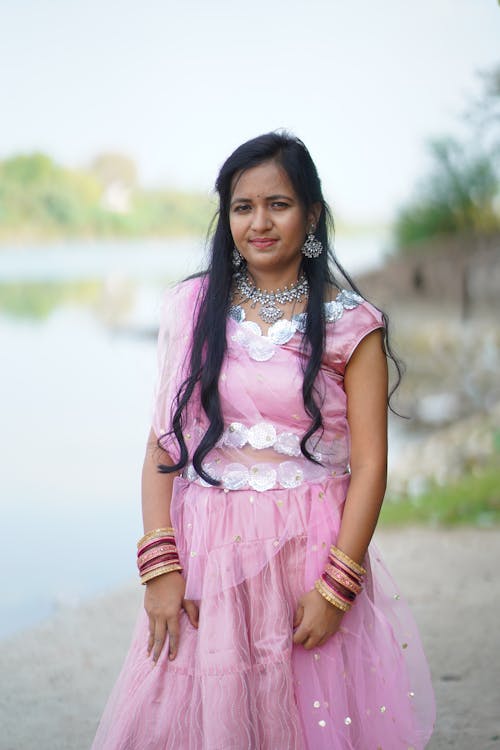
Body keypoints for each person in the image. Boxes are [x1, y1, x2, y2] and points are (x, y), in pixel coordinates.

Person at [91, 131, 436, 749]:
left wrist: (338, 584)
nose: (259, 222)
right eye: (242, 207)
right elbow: (162, 447)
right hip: (207, 554)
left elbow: (371, 465)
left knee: (307, 714)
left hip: (311, 548)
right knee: (209, 712)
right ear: (226, 218)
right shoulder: (192, 307)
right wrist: (159, 568)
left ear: (312, 214)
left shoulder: (353, 325)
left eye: (278, 204)